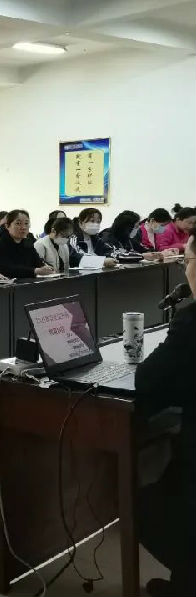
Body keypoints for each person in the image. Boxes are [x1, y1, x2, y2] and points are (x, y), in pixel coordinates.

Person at [134, 230, 195, 597]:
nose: (185, 269)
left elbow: (148, 381)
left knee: (144, 508)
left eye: (187, 261)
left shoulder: (191, 322)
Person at [0, 209, 54, 279]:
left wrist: (44, 267)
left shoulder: (28, 243)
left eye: (26, 223)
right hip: (5, 284)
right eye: (18, 223)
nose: (23, 227)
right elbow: (6, 269)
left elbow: (37, 262)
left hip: (29, 283)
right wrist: (35, 271)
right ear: (7, 226)